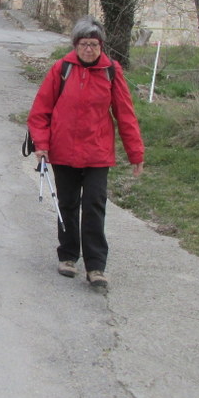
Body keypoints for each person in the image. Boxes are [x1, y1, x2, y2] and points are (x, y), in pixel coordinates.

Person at [26, 16, 144, 289]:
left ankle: (96, 266)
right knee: (66, 204)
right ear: (75, 45)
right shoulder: (61, 69)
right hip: (63, 151)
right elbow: (40, 110)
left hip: (97, 154)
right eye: (83, 44)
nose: (89, 49)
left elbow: (126, 115)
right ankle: (68, 256)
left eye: (94, 44)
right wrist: (41, 145)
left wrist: (135, 154)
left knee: (94, 206)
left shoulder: (111, 71)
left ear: (101, 46)